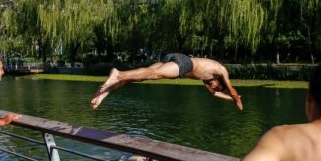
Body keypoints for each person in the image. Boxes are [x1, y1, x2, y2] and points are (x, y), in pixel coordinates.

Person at [91, 53, 243, 110]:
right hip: (184, 63)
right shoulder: (221, 70)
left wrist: (230, 99)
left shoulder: (207, 79)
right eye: (216, 86)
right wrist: (236, 100)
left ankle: (103, 93)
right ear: (219, 81)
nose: (213, 87)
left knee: (141, 77)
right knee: (154, 74)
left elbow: (215, 95)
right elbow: (232, 89)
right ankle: (118, 73)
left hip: (174, 58)